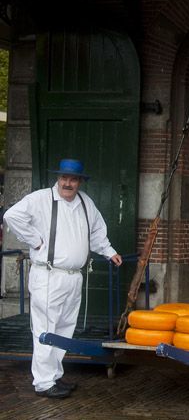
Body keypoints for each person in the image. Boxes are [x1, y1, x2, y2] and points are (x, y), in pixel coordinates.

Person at [3, 159, 122, 398]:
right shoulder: (40, 199)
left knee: (64, 329)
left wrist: (109, 252)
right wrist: (35, 240)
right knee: (45, 329)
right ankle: (44, 383)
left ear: (79, 181)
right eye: (64, 178)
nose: (68, 183)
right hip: (48, 275)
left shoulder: (85, 203)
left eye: (73, 179)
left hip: (73, 277)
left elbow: (97, 231)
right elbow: (12, 216)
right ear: (58, 178)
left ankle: (54, 376)